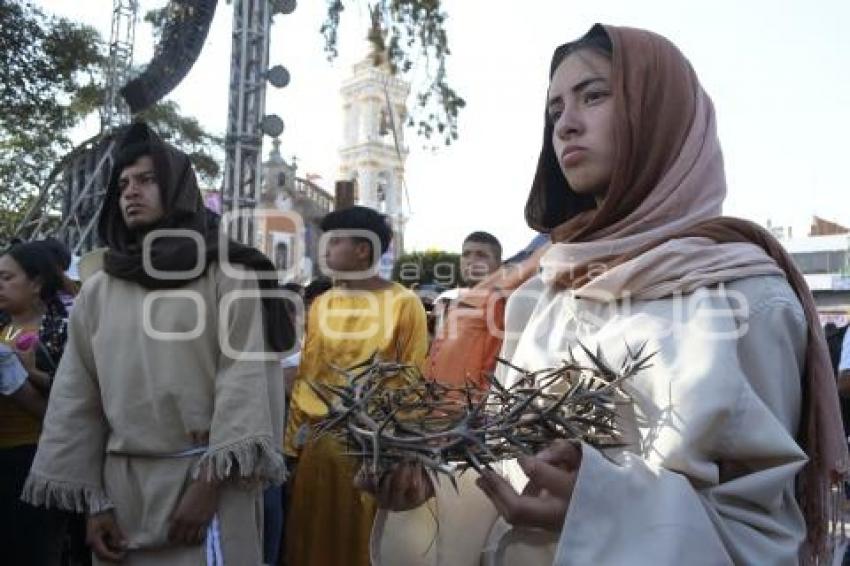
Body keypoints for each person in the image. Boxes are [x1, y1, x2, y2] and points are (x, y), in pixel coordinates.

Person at [374, 24, 848, 566]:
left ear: (659, 114)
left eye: (594, 95)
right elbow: (507, 463)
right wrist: (428, 487)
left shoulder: (746, 298)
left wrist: (601, 507)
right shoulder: (547, 292)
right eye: (554, 111)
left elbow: (762, 536)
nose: (566, 125)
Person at [23, 122, 294, 565]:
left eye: (147, 180)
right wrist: (95, 504)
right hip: (121, 495)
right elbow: (77, 398)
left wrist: (207, 489)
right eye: (124, 183)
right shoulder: (100, 288)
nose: (131, 191)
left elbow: (245, 387)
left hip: (207, 490)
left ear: (177, 188)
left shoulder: (230, 277)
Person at [284, 205, 428, 566]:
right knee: (309, 542)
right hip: (317, 449)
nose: (325, 251)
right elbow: (308, 376)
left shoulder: (403, 305)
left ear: (363, 250)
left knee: (361, 546)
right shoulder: (321, 304)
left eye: (333, 242)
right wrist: (291, 447)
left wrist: (399, 455)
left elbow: (409, 382)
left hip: (370, 453)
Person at [0, 241, 69, 565]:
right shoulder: (4, 328)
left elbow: (76, 396)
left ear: (37, 283)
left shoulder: (59, 328)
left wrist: (27, 373)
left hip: (35, 458)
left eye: (7, 277)